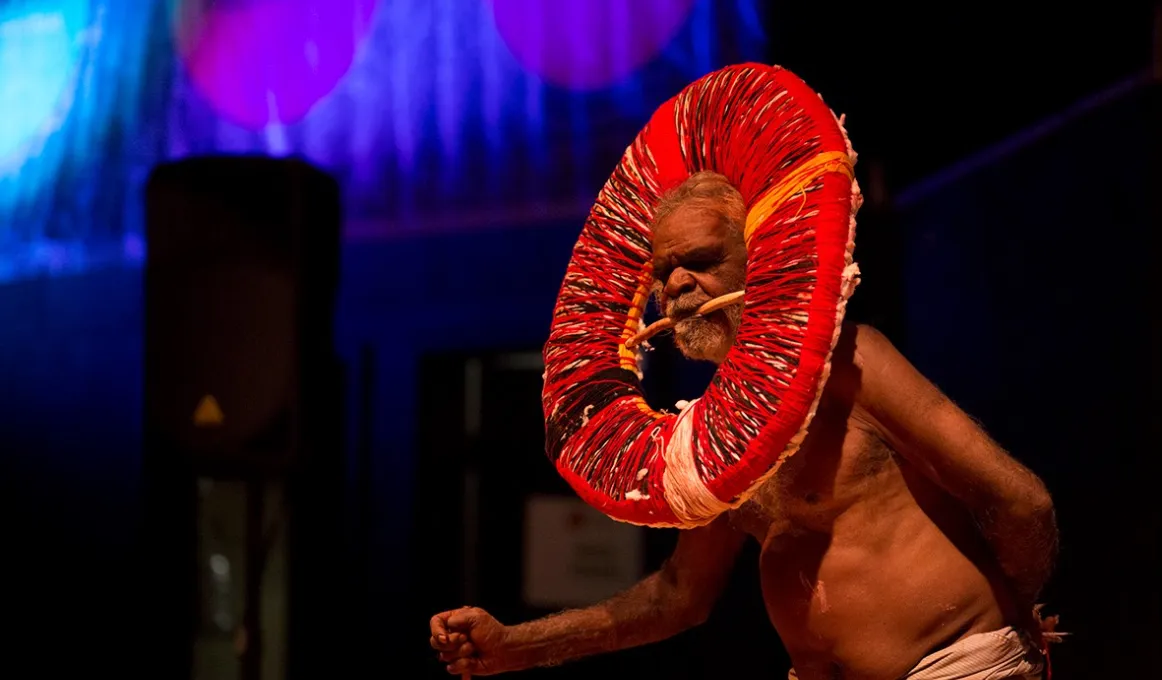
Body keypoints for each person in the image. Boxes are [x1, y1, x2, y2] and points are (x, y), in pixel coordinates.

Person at [429, 172, 1060, 679]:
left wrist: (1011, 622)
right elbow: (677, 596)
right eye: (663, 270)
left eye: (701, 259)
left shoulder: (852, 363)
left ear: (758, 261)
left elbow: (1019, 500)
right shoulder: (713, 436)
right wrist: (515, 646)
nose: (677, 283)